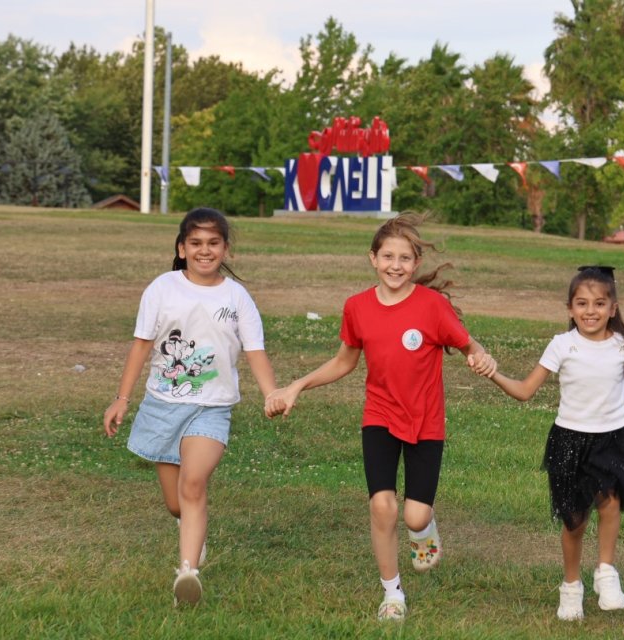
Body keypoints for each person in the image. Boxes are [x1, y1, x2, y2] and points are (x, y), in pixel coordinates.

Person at [264, 213, 496, 622]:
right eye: (387, 256)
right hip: (380, 416)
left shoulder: (433, 307)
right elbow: (344, 362)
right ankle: (393, 594)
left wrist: (481, 357)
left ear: (416, 262)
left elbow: (468, 344)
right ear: (372, 258)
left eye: (405, 258)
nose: (395, 265)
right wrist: (297, 385)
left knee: (414, 514)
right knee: (383, 507)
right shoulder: (357, 307)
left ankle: (424, 530)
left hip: (426, 421)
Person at [103, 208, 277, 607]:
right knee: (175, 502)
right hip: (163, 406)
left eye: (213, 243)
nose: (205, 251)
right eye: (196, 243)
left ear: (225, 248)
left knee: (194, 484)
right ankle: (190, 531)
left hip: (211, 408)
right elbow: (141, 345)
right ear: (182, 249)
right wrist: (121, 398)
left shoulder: (236, 297)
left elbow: (255, 351)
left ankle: (187, 573)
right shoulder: (162, 288)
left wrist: (271, 392)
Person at [481, 266, 624, 622]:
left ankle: (606, 572)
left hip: (616, 437)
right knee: (574, 520)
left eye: (599, 303)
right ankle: (571, 587)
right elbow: (525, 391)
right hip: (569, 441)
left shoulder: (621, 344)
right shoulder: (562, 345)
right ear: (569, 308)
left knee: (611, 501)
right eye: (582, 303)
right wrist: (493, 373)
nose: (590, 311)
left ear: (613, 308)